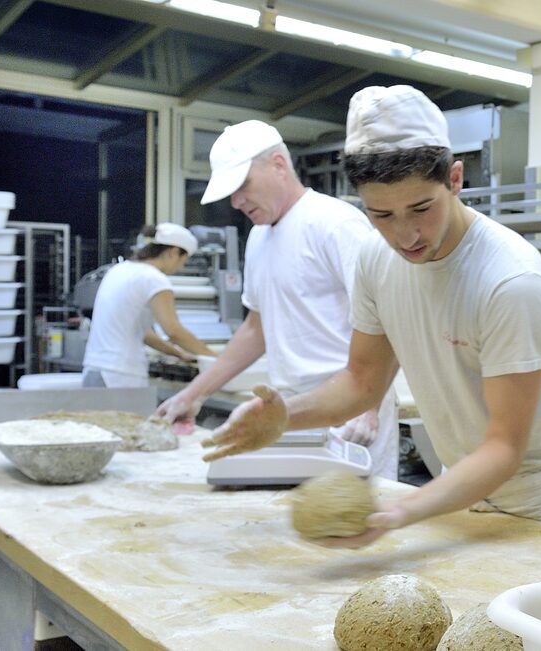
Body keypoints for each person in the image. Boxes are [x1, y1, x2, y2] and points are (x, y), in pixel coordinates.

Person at [202, 85, 541, 540]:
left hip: (530, 498)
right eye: (381, 214)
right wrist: (285, 416)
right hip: (457, 484)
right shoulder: (376, 260)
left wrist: (401, 512)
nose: (405, 236)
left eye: (421, 208)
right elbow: (362, 384)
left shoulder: (511, 281)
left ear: (455, 179)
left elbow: (504, 446)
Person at [156, 119, 400, 479]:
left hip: (351, 405)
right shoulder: (258, 238)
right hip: (291, 406)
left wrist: (369, 405)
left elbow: (389, 316)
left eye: (243, 186)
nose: (237, 201)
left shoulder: (334, 224)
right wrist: (194, 393)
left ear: (279, 165)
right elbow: (257, 330)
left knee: (358, 521)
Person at [82, 223, 217, 388]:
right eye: (183, 260)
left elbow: (144, 333)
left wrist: (180, 354)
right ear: (173, 252)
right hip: (121, 376)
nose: (180, 267)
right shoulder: (153, 279)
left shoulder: (119, 270)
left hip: (96, 370)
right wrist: (215, 359)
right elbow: (174, 331)